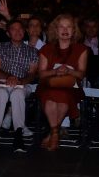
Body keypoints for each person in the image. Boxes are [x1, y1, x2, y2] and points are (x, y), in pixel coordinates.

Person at [37, 14, 89, 151]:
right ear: (55, 30)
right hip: (49, 84)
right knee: (50, 98)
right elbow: (41, 74)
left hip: (71, 86)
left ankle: (53, 133)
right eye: (61, 26)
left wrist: (69, 71)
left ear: (74, 30)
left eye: (69, 27)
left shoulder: (81, 49)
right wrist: (55, 72)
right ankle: (55, 133)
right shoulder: (46, 49)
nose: (65, 30)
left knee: (64, 97)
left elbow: (81, 74)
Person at [0, 20, 39, 152]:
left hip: (22, 83)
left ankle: (18, 134)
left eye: (20, 28)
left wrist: (21, 81)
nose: (17, 32)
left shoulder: (32, 51)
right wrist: (8, 77)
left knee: (18, 94)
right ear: (8, 33)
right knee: (0, 93)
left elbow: (32, 74)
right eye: (13, 29)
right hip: (1, 81)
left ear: (24, 31)